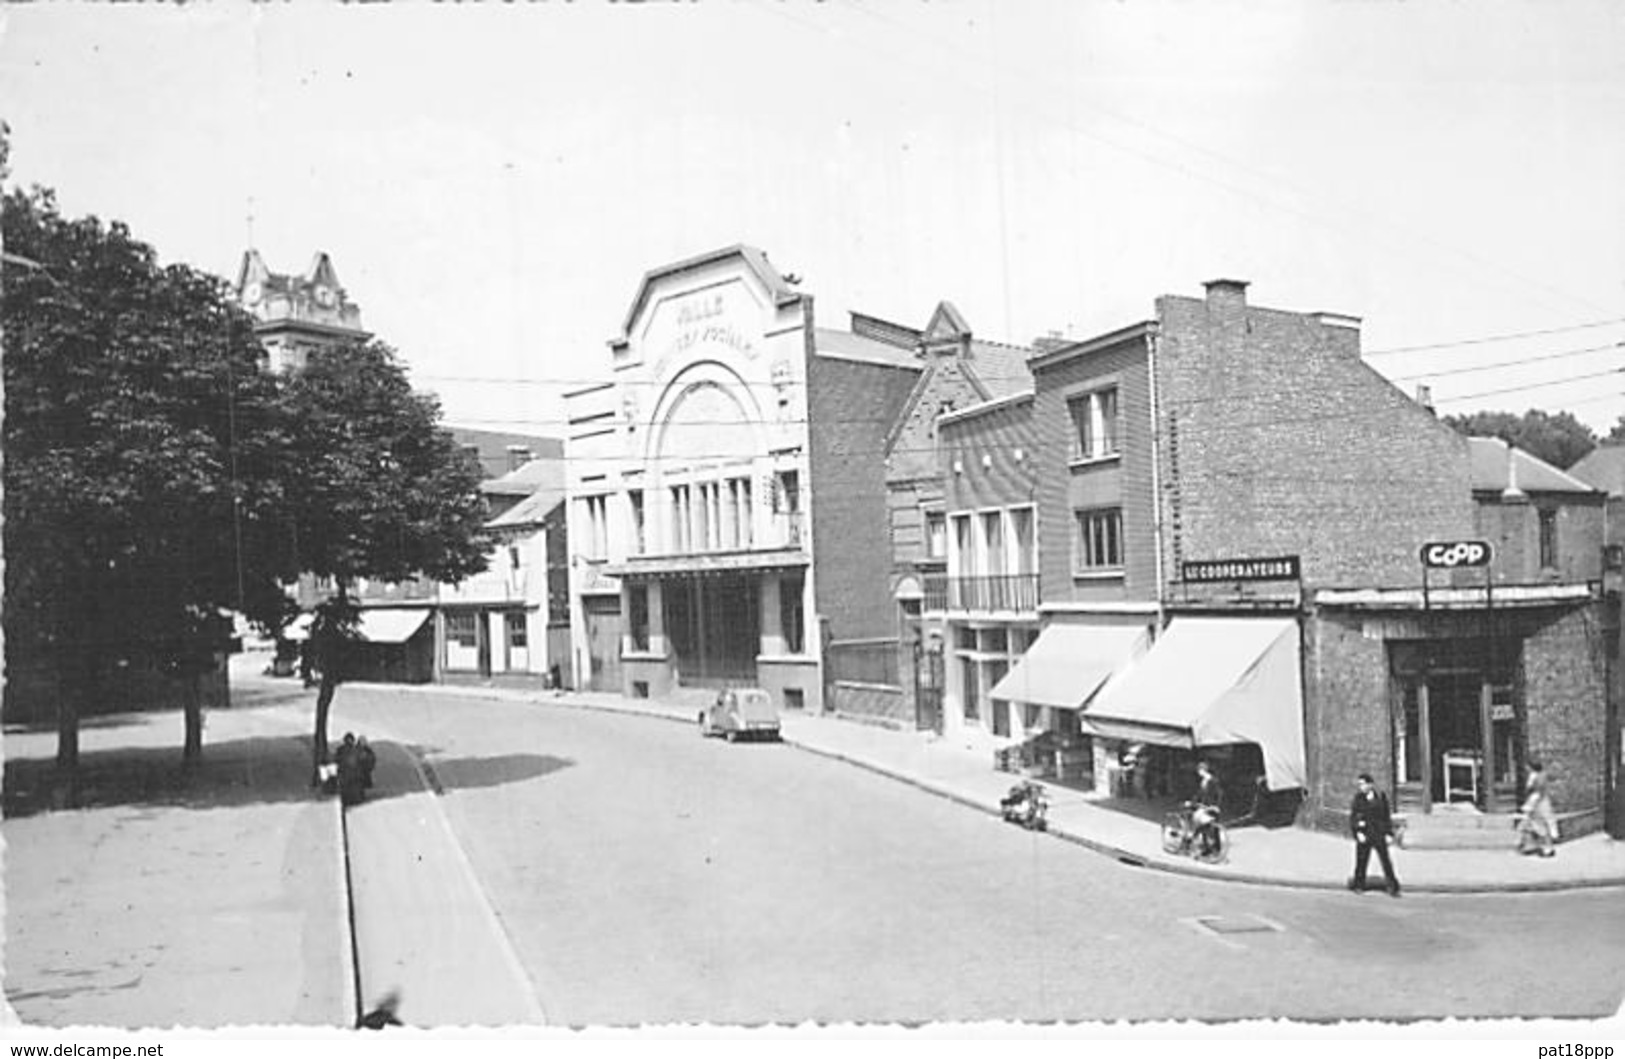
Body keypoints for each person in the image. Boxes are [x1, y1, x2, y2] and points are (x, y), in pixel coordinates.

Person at [1349, 771, 1401, 896]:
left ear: (1370, 785)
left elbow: (1386, 816)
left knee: (1386, 861)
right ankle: (1359, 885)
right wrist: (1358, 833)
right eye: (1359, 785)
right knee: (1361, 861)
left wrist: (1389, 833)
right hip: (1365, 834)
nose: (1361, 787)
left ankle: (1393, 887)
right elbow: (1354, 817)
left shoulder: (1380, 797)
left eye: (1362, 784)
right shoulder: (1358, 799)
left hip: (1378, 833)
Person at [1518, 759, 1558, 858]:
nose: (1525, 768)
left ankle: (1547, 848)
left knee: (1541, 825)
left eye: (1527, 766)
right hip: (1538, 803)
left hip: (1538, 804)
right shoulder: (1539, 775)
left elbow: (1537, 791)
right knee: (1531, 825)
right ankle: (1530, 845)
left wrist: (1531, 804)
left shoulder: (1537, 777)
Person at [1190, 760, 1224, 856]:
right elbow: (1199, 794)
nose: (1198, 773)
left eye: (1199, 770)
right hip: (1204, 807)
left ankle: (1216, 848)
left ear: (1203, 770)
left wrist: (1217, 806)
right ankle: (1207, 847)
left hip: (1211, 808)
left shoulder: (1213, 780)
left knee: (1212, 828)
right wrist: (1192, 802)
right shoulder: (1203, 781)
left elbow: (1220, 794)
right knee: (1203, 827)